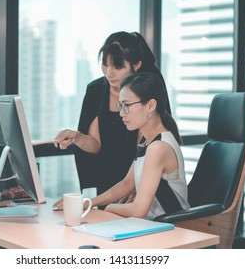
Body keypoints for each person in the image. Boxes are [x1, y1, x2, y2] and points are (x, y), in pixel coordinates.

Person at [54, 31, 172, 198]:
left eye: (117, 67)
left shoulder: (147, 93)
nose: (109, 73)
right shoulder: (95, 90)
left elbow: (147, 149)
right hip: (106, 183)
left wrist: (136, 187)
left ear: (136, 65)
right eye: (105, 65)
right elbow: (95, 144)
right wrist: (77, 137)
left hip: (140, 183)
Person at [56, 72, 189, 219]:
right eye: (121, 105)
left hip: (172, 230)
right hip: (152, 225)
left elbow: (139, 210)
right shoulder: (147, 140)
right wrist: (88, 203)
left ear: (150, 105)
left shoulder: (158, 147)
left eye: (127, 105)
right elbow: (127, 184)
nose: (121, 113)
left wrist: (109, 207)